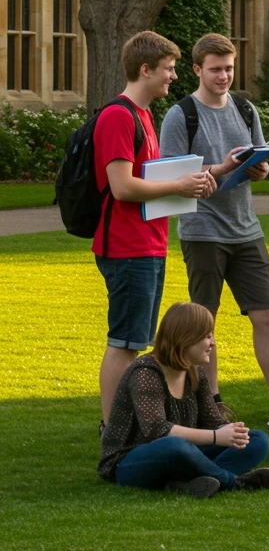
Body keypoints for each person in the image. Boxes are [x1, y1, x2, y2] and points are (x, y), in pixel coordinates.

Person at [94, 31, 213, 424]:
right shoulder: (118, 115)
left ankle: (123, 425)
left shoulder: (143, 115)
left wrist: (191, 184)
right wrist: (178, 186)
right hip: (126, 247)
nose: (173, 77)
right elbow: (122, 186)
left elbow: (151, 180)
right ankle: (112, 431)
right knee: (124, 344)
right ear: (145, 69)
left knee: (135, 341)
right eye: (168, 69)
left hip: (149, 244)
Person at [159, 33, 269, 410]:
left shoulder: (246, 110)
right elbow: (168, 178)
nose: (224, 76)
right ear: (197, 69)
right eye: (215, 69)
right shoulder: (181, 115)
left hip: (246, 228)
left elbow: (257, 158)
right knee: (204, 325)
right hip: (203, 232)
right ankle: (210, 401)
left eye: (229, 68)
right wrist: (221, 167)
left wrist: (259, 168)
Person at [98, 302, 269, 497]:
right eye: (207, 336)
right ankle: (233, 482)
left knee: (257, 440)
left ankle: (190, 482)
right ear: (186, 338)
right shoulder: (145, 372)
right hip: (129, 461)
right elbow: (156, 430)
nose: (213, 343)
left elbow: (212, 421)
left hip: (185, 452)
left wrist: (232, 432)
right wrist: (217, 437)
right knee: (175, 445)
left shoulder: (195, 371)